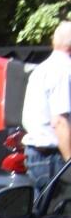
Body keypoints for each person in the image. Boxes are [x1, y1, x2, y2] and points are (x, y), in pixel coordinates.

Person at [19, 20, 71, 192]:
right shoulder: (63, 71)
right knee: (60, 217)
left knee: (43, 216)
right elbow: (60, 121)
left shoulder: (42, 69)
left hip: (37, 156)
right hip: (53, 159)